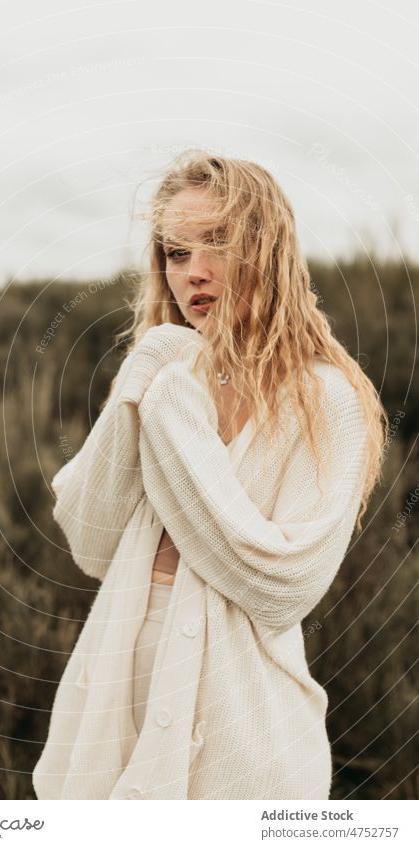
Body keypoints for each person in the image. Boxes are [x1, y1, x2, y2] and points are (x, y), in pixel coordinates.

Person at [32, 150, 388, 800]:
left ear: (268, 248)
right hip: (111, 725)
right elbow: (88, 537)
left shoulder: (323, 399)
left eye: (218, 242)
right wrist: (148, 375)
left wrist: (173, 410)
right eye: (174, 251)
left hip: (244, 746)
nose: (194, 272)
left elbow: (283, 587)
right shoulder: (166, 374)